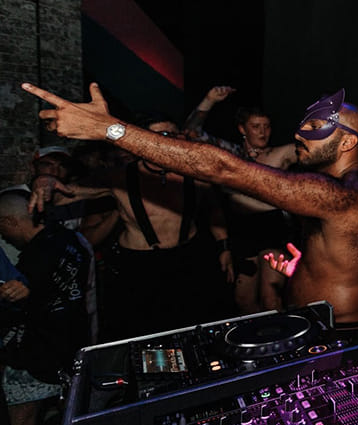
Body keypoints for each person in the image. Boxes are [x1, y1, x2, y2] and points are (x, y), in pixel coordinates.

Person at [21, 84, 358, 327]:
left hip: (338, 333)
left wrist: (109, 129)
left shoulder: (347, 195)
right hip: (323, 322)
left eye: (315, 129)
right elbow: (355, 256)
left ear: (347, 143)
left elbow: (219, 166)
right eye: (303, 124)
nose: (299, 133)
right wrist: (309, 268)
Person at [28, 115, 234, 341]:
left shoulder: (196, 175)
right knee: (143, 335)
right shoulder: (120, 177)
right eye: (158, 135)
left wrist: (223, 247)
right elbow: (64, 194)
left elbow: (214, 209)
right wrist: (43, 181)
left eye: (171, 135)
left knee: (193, 329)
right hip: (139, 265)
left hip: (187, 258)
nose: (165, 140)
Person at [184, 85, 297, 313]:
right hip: (242, 233)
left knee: (271, 300)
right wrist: (209, 99)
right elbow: (191, 134)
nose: (263, 132)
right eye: (256, 127)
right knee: (244, 302)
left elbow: (311, 150)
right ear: (242, 129)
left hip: (272, 230)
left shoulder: (280, 154)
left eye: (266, 126)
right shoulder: (232, 155)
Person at [0, 189, 92, 425]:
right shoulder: (69, 239)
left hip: (35, 354)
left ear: (12, 222)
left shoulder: (35, 256)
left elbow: (26, 297)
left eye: (2, 227)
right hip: (69, 348)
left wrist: (17, 296)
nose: (3, 237)